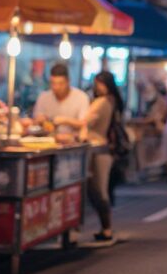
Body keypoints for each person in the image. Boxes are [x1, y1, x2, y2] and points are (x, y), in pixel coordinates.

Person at [83, 71, 122, 241]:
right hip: (103, 149)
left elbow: (85, 122)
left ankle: (107, 228)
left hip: (100, 149)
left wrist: (61, 119)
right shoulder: (113, 101)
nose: (96, 87)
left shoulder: (103, 102)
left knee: (99, 190)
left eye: (99, 83)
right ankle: (105, 227)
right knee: (97, 190)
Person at [32, 63, 90, 136]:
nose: (56, 87)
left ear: (68, 81)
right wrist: (40, 120)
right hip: (47, 139)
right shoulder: (44, 97)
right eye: (53, 83)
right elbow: (36, 120)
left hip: (73, 142)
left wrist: (66, 121)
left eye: (61, 84)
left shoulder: (81, 97)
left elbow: (84, 123)